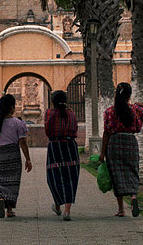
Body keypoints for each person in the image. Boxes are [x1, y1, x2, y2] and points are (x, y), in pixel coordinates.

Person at [99, 82, 143, 217]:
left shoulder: (110, 111)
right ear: (129, 95)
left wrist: (102, 152)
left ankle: (121, 209)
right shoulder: (135, 110)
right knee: (132, 170)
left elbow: (106, 133)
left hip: (114, 143)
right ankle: (133, 196)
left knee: (116, 174)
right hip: (130, 142)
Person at [0, 94, 32, 218]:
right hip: (13, 156)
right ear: (12, 107)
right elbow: (22, 142)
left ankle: (0, 198)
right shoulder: (18, 123)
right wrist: (28, 159)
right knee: (12, 182)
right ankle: (9, 210)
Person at [44, 90, 80, 221]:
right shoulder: (71, 114)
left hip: (55, 147)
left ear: (53, 101)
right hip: (71, 147)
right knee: (71, 177)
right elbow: (75, 129)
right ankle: (67, 210)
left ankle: (58, 205)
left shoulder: (49, 113)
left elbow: (47, 131)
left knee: (54, 177)